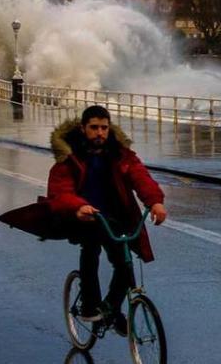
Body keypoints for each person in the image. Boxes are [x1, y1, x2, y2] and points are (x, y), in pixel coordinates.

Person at [45, 105, 167, 336]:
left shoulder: (120, 154)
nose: (99, 133)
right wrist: (78, 206)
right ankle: (89, 305)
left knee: (125, 263)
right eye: (94, 128)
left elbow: (140, 177)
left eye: (104, 128)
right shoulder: (69, 158)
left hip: (115, 218)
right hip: (85, 217)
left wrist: (155, 202)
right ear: (83, 129)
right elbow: (60, 191)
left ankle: (110, 309)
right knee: (90, 251)